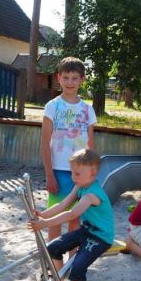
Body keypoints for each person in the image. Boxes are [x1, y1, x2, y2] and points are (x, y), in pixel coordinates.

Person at [29, 149, 114, 281]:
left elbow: (72, 214)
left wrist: (45, 224)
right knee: (52, 247)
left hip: (101, 237)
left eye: (77, 174)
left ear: (92, 173)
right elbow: (63, 204)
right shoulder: (79, 186)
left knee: (78, 267)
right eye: (72, 173)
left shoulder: (92, 194)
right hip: (87, 230)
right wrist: (43, 214)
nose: (73, 177)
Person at [40, 57, 96, 243]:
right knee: (54, 219)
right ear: (59, 78)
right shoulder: (52, 106)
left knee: (75, 218)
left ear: (82, 79)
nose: (70, 82)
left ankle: (71, 262)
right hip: (58, 171)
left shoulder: (88, 109)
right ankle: (54, 264)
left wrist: (90, 174)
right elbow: (45, 142)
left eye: (74, 78)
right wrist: (49, 174)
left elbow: (91, 145)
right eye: (66, 77)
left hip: (80, 173)